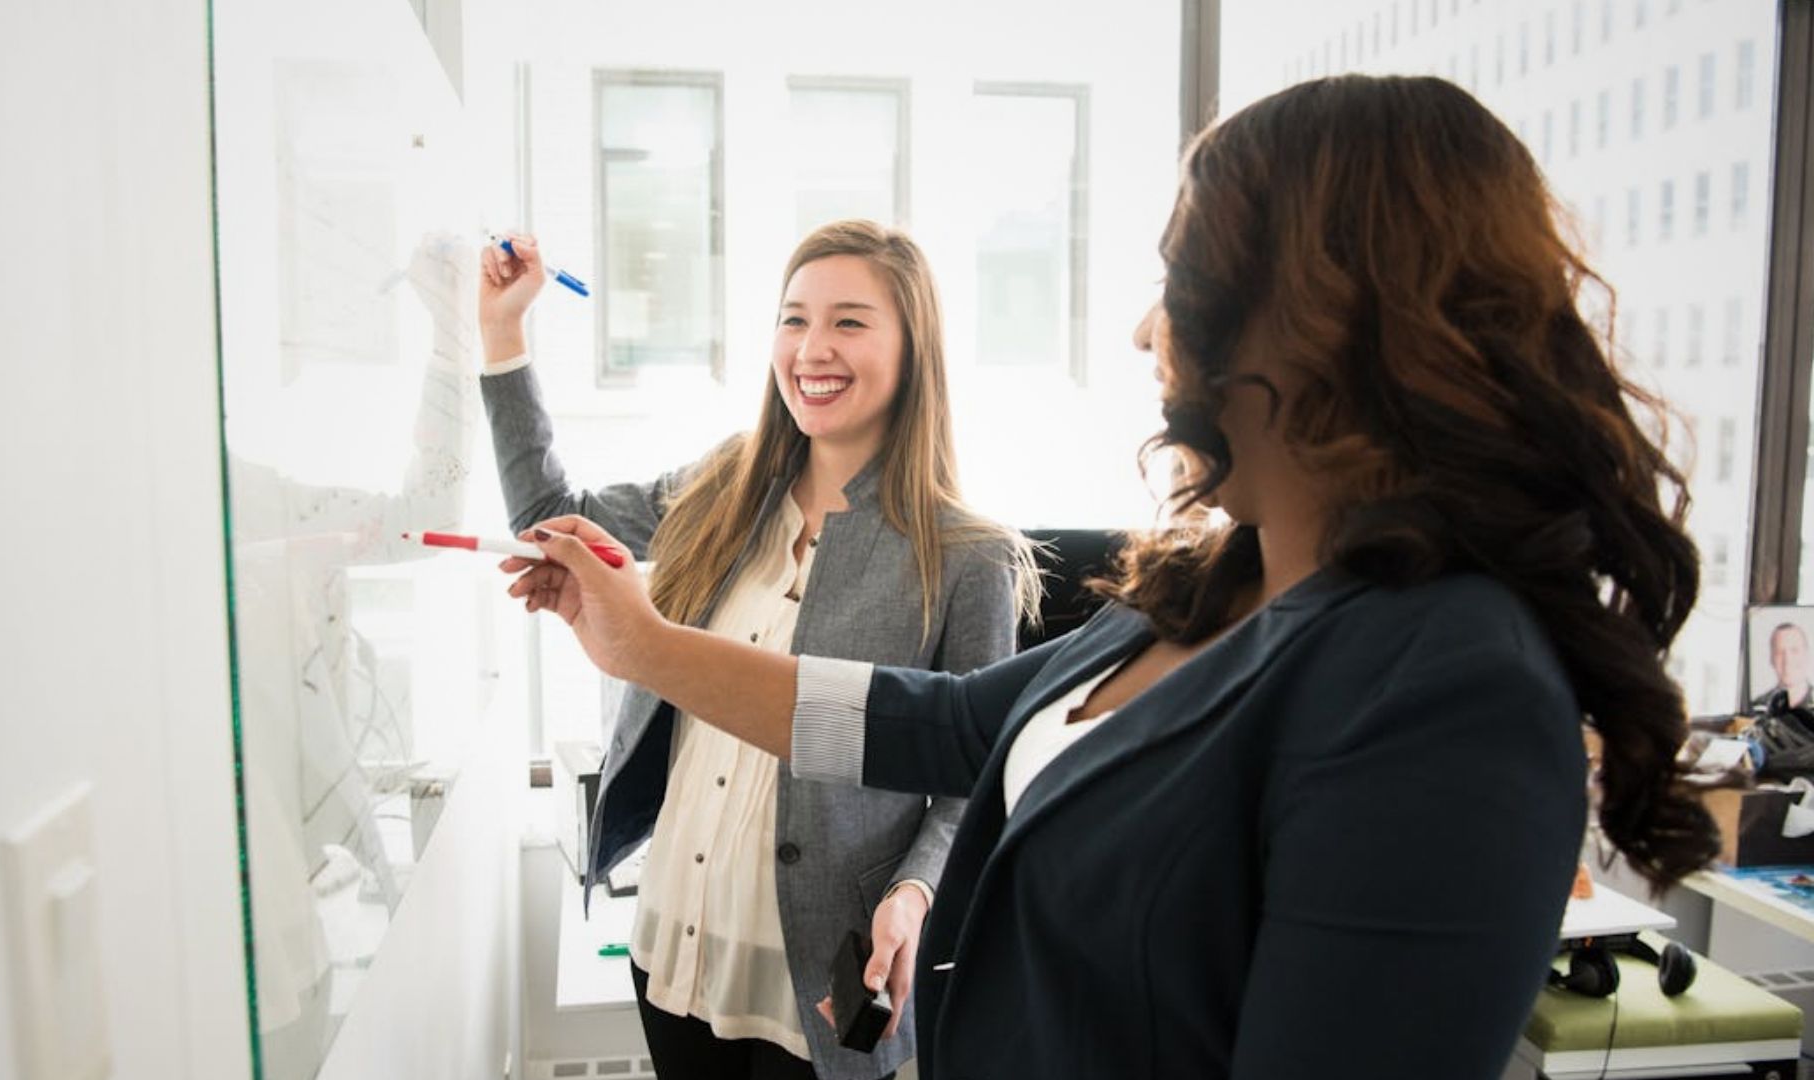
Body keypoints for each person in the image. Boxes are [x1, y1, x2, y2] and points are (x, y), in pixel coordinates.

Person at [501, 75, 1721, 1079]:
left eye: (1177, 279)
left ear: (1317, 314)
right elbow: (951, 724)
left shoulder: (1448, 685)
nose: (1147, 332)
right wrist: (644, 647)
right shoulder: (1209, 587)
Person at [476, 219, 1034, 1080]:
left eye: (850, 321)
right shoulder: (724, 487)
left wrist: (915, 891)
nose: (813, 347)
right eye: (794, 318)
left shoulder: (966, 555)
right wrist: (504, 332)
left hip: (826, 971)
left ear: (913, 346)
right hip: (675, 939)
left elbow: (972, 775)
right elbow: (550, 517)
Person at [1751, 622, 1813, 710]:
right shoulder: (1757, 707)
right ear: (1771, 658)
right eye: (1779, 653)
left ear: (1807, 655)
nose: (1787, 660)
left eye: (1794, 651)